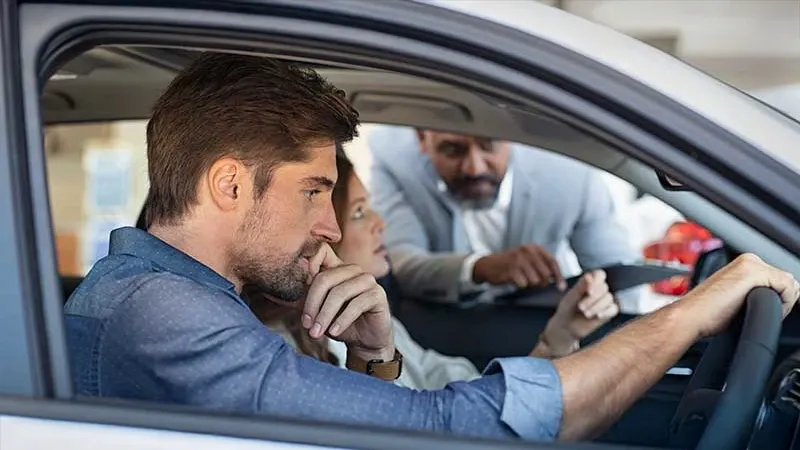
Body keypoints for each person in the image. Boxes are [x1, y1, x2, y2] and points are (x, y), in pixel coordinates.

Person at [64, 52, 799, 443]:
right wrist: (694, 312)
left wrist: (377, 357)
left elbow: (355, 436)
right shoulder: (165, 316)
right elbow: (454, 431)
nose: (330, 225)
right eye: (316, 190)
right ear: (229, 185)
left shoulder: (183, 299)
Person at [245, 150, 620, 390]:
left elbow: (469, 396)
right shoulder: (275, 356)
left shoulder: (376, 323)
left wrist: (558, 338)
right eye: (359, 212)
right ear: (319, 234)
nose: (381, 224)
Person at [367, 126, 641, 306]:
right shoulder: (394, 160)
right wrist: (483, 267)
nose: (474, 168)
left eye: (488, 145)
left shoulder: (571, 173)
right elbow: (403, 264)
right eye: (453, 149)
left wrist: (599, 301)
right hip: (441, 331)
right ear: (421, 139)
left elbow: (619, 279)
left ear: (510, 136)